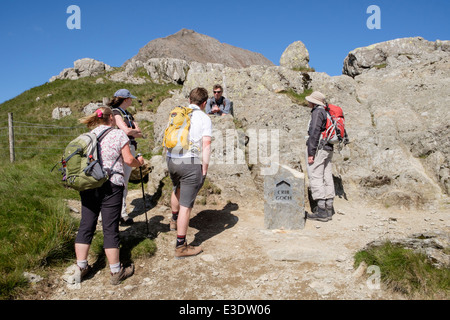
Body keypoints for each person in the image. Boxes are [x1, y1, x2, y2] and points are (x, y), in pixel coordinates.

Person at [75, 106, 145, 284]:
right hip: (111, 184)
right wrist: (140, 163)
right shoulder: (118, 134)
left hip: (89, 183)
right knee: (110, 227)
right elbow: (129, 160)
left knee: (86, 224)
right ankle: (116, 272)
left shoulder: (88, 136)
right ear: (112, 119)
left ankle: (81, 267)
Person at [165, 87, 212, 259]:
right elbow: (206, 145)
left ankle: (173, 221)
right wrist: (204, 168)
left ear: (190, 99)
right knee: (187, 206)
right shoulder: (204, 118)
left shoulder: (177, 114)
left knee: (176, 188)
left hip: (172, 160)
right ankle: (181, 245)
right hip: (190, 162)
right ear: (204, 103)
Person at [107, 89, 143, 226]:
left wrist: (133, 132)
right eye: (130, 98)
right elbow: (127, 130)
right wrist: (133, 132)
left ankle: (120, 213)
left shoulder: (127, 114)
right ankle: (119, 214)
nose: (132, 100)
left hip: (130, 146)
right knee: (118, 180)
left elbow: (138, 133)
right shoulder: (115, 113)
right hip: (121, 148)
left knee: (123, 181)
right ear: (125, 99)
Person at [305, 91, 335, 222]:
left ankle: (321, 211)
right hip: (328, 148)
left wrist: (311, 153)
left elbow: (314, 132)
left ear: (313, 102)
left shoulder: (317, 112)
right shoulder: (327, 112)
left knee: (316, 176)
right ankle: (329, 208)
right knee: (327, 176)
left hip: (319, 149)